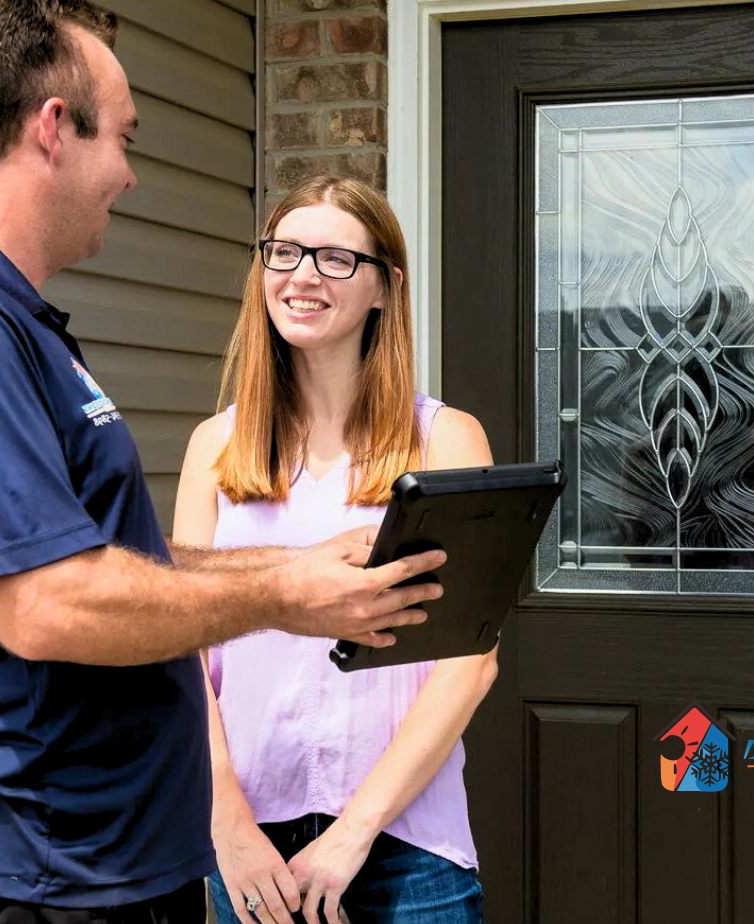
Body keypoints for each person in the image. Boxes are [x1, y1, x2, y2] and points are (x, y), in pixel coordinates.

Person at [0, 4, 444, 923]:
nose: (126, 173)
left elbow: (103, 557)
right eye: (120, 138)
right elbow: (47, 600)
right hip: (45, 876)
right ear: (52, 130)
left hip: (100, 869)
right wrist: (285, 597)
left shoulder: (5, 324)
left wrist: (293, 567)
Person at [172, 177, 497, 924]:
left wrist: (353, 835)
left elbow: (472, 659)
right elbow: (181, 654)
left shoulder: (445, 441)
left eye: (334, 258)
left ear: (386, 286)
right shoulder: (214, 449)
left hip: (406, 850)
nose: (303, 275)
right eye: (284, 252)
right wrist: (226, 824)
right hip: (252, 847)